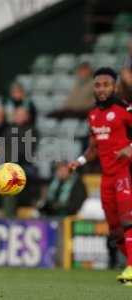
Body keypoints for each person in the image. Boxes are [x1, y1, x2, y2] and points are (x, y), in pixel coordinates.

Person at [69, 67, 132, 284]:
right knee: (115, 229)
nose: (102, 89)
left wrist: (130, 147)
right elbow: (93, 148)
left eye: (106, 84)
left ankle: (131, 268)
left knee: (127, 220)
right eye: (97, 85)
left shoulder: (125, 109)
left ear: (114, 86)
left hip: (126, 172)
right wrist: (80, 161)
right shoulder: (93, 115)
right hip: (107, 178)